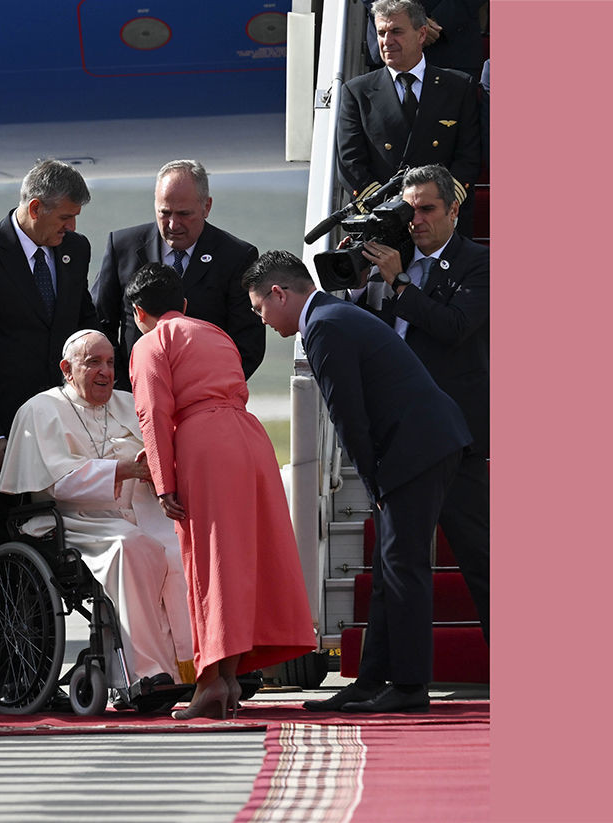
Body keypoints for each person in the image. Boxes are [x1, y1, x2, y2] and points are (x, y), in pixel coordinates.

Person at [244, 251, 475, 714]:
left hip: (418, 449)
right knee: (390, 570)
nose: (262, 320)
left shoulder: (325, 325)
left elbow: (348, 418)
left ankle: (409, 688)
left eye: (259, 308)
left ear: (279, 293)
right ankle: (370, 681)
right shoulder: (333, 315)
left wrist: (373, 485)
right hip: (423, 443)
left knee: (404, 569)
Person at [126, 263, 316, 720]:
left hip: (205, 443)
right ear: (185, 304)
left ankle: (213, 681)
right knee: (243, 558)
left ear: (138, 312)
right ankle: (225, 677)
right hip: (249, 438)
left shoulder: (152, 342)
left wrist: (162, 480)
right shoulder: (214, 333)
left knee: (209, 563)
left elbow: (153, 412)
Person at [0, 330, 195, 686]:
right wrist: (123, 469)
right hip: (73, 519)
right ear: (67, 368)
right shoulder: (42, 409)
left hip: (139, 512)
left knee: (183, 551)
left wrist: (158, 471)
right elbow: (57, 484)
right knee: (132, 549)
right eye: (93, 362)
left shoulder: (127, 403)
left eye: (109, 363)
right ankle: (146, 673)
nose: (105, 371)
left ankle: (196, 667)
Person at [347, 165, 490, 641]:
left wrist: (402, 284)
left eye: (428, 208)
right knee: (396, 561)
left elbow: (453, 327)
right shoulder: (390, 258)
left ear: (454, 209)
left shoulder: (478, 262)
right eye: (410, 210)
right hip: (401, 437)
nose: (417, 220)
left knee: (482, 558)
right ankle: (390, 677)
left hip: (457, 436)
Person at [0, 158, 100, 568]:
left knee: (51, 549)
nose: (70, 227)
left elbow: (82, 322)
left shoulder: (75, 249)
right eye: (65, 217)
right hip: (4, 436)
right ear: (36, 209)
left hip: (60, 429)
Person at [91, 160, 263, 391]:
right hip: (132, 396)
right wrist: (123, 386)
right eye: (165, 213)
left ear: (207, 207)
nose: (173, 224)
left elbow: (247, 342)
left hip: (204, 400)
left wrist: (207, 391)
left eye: (184, 214)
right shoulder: (122, 247)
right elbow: (100, 324)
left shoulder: (236, 257)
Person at [336, 0, 483, 226]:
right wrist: (388, 207)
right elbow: (350, 162)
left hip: (443, 221)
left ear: (421, 34)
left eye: (396, 31)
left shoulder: (459, 87)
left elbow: (469, 155)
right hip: (385, 220)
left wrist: (437, 205)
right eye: (381, 32)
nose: (387, 41)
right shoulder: (357, 92)